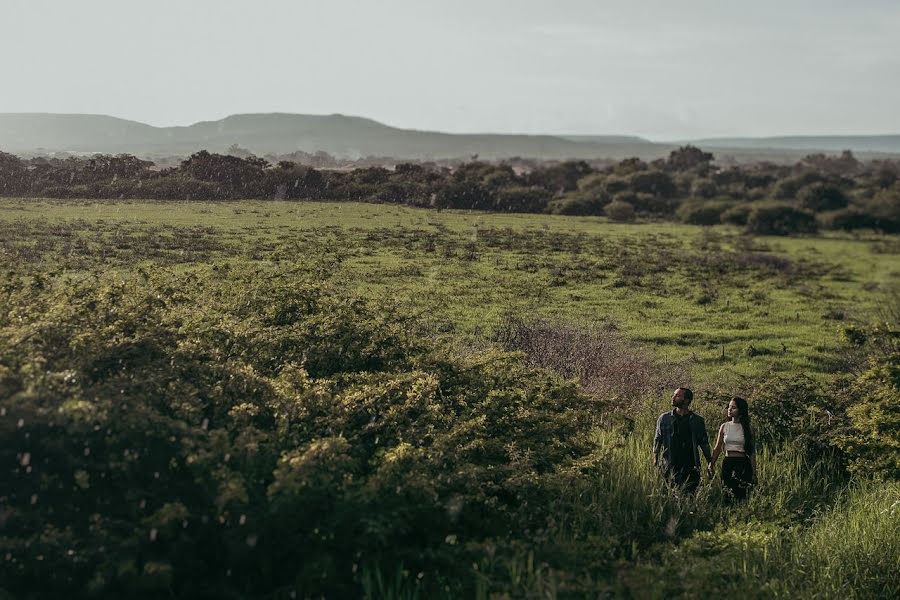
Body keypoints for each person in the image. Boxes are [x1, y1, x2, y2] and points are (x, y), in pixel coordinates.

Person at [653, 387, 712, 493]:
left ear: (686, 400)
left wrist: (710, 463)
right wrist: (655, 459)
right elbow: (658, 440)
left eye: (677, 396)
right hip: (668, 465)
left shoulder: (697, 420)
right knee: (667, 495)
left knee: (689, 496)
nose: (673, 397)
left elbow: (704, 443)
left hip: (690, 466)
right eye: (674, 395)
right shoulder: (664, 418)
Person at [707, 396, 757, 500]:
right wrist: (712, 464)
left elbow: (751, 452)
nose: (729, 409)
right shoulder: (725, 426)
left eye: (733, 407)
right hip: (728, 462)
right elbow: (718, 447)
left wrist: (754, 473)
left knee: (741, 494)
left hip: (742, 463)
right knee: (727, 493)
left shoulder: (748, 428)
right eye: (729, 407)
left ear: (741, 410)